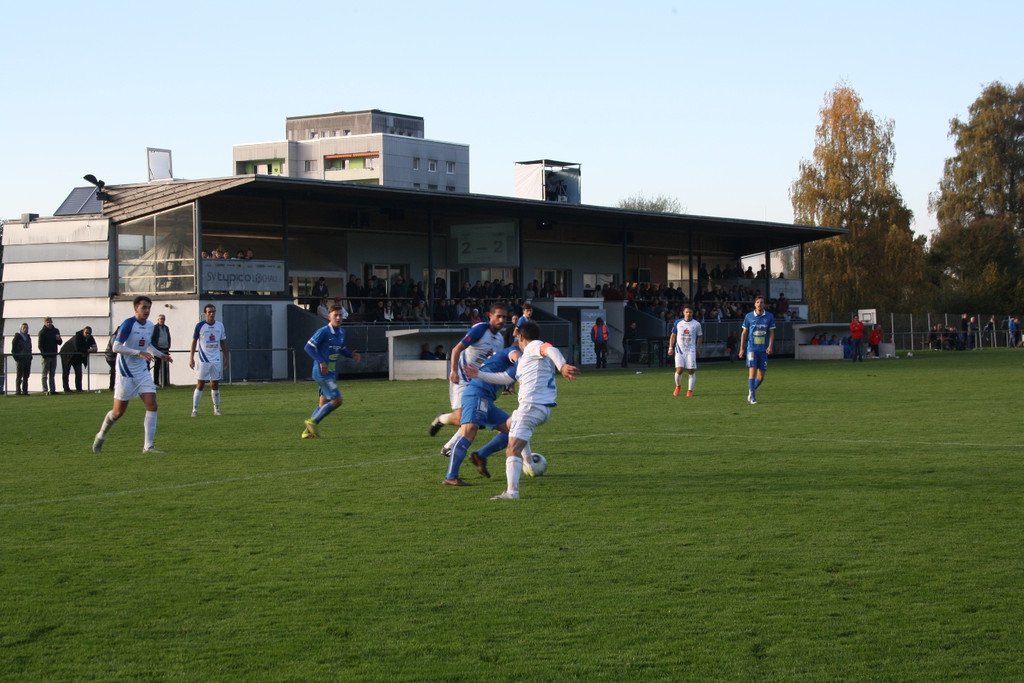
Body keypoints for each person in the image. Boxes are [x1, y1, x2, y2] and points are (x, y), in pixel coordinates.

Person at [467, 321, 578, 500]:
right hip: (538, 408)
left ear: (521, 337)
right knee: (510, 426)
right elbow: (505, 378)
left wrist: (562, 365)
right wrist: (478, 374)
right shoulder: (526, 359)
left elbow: (550, 349)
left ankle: (512, 492)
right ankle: (530, 466)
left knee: (512, 449)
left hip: (531, 406)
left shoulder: (534, 346)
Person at [92, 296, 171, 454]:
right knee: (118, 412)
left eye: (149, 307)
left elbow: (147, 345)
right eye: (144, 308)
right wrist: (138, 353)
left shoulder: (149, 326)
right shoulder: (128, 324)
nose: (147, 311)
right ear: (136, 309)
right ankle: (101, 435)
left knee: (152, 404)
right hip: (125, 372)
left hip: (141, 371)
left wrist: (160, 354)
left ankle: (148, 446)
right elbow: (116, 347)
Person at [430, 303, 508, 455]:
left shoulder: (499, 339)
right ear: (490, 316)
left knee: (474, 419)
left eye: (504, 317)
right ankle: (442, 419)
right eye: (498, 316)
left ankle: (448, 448)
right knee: (462, 418)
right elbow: (456, 349)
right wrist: (453, 371)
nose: (501, 320)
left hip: (478, 382)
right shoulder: (480, 329)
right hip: (462, 378)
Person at [443, 345, 521, 486]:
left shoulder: (509, 357)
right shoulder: (514, 351)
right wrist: (522, 361)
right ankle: (451, 476)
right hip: (477, 393)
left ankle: (479, 456)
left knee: (512, 430)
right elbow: (515, 355)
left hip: (486, 399)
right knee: (468, 433)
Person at [302, 303, 361, 438]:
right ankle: (313, 422)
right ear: (329, 317)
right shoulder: (323, 331)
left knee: (323, 403)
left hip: (331, 373)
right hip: (322, 373)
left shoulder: (341, 332)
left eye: (340, 315)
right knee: (337, 401)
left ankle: (307, 432)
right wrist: (321, 361)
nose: (338, 318)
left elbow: (340, 349)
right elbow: (308, 347)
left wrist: (351, 355)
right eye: (336, 315)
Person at [189, 304, 229, 417]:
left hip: (216, 359)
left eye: (213, 311)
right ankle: (194, 410)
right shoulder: (200, 326)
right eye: (209, 312)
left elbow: (222, 342)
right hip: (203, 360)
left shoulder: (220, 326)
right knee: (200, 384)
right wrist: (191, 358)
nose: (211, 314)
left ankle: (217, 409)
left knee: (215, 384)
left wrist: (226, 358)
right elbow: (194, 342)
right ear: (205, 313)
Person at [739, 295, 775, 405]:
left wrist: (770, 346)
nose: (760, 304)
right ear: (755, 304)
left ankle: (751, 391)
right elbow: (744, 333)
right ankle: (753, 398)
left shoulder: (769, 316)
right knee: (752, 373)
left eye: (762, 302)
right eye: (758, 302)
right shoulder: (749, 317)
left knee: (761, 376)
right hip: (752, 349)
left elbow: (772, 333)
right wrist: (741, 348)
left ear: (764, 304)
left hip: (763, 350)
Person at [668, 305, 702, 397]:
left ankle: (690, 390)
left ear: (692, 313)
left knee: (691, 370)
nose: (688, 314)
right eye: (686, 312)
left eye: (690, 312)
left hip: (691, 349)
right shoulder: (678, 323)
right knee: (679, 370)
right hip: (680, 350)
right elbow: (673, 335)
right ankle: (678, 386)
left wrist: (698, 349)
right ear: (683, 312)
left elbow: (700, 337)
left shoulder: (696, 324)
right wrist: (670, 347)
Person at [60, 327, 97, 392]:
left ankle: (79, 388)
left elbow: (95, 348)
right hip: (66, 354)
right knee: (66, 371)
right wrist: (88, 350)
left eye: (89, 333)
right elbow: (78, 348)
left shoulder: (90, 338)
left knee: (79, 372)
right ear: (83, 331)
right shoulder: (78, 337)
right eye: (86, 333)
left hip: (77, 357)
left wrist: (86, 351)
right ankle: (66, 389)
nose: (88, 334)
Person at [37, 317, 62, 395]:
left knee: (52, 374)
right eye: (47, 322)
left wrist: (58, 339)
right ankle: (45, 390)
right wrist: (44, 355)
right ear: (45, 323)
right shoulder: (42, 332)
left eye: (50, 322)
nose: (49, 324)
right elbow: (40, 345)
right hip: (46, 356)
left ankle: (52, 390)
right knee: (45, 374)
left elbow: (60, 342)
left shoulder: (56, 331)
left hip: (53, 355)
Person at [11, 322, 33, 395]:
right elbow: (13, 350)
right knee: (19, 376)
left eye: (26, 328)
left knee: (26, 376)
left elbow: (30, 348)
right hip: (20, 359)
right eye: (24, 328)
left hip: (27, 359)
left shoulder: (28, 337)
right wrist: (16, 359)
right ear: (20, 329)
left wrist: (30, 357)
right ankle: (18, 391)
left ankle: (25, 391)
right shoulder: (17, 338)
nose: (25, 329)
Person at [151, 314, 172, 387]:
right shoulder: (155, 328)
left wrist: (168, 346)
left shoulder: (166, 328)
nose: (162, 320)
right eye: (161, 319)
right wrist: (155, 348)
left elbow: (168, 337)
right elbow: (153, 339)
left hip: (165, 349)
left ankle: (165, 382)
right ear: (158, 320)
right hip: (158, 350)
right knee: (157, 366)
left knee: (165, 366)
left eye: (163, 319)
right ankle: (156, 382)